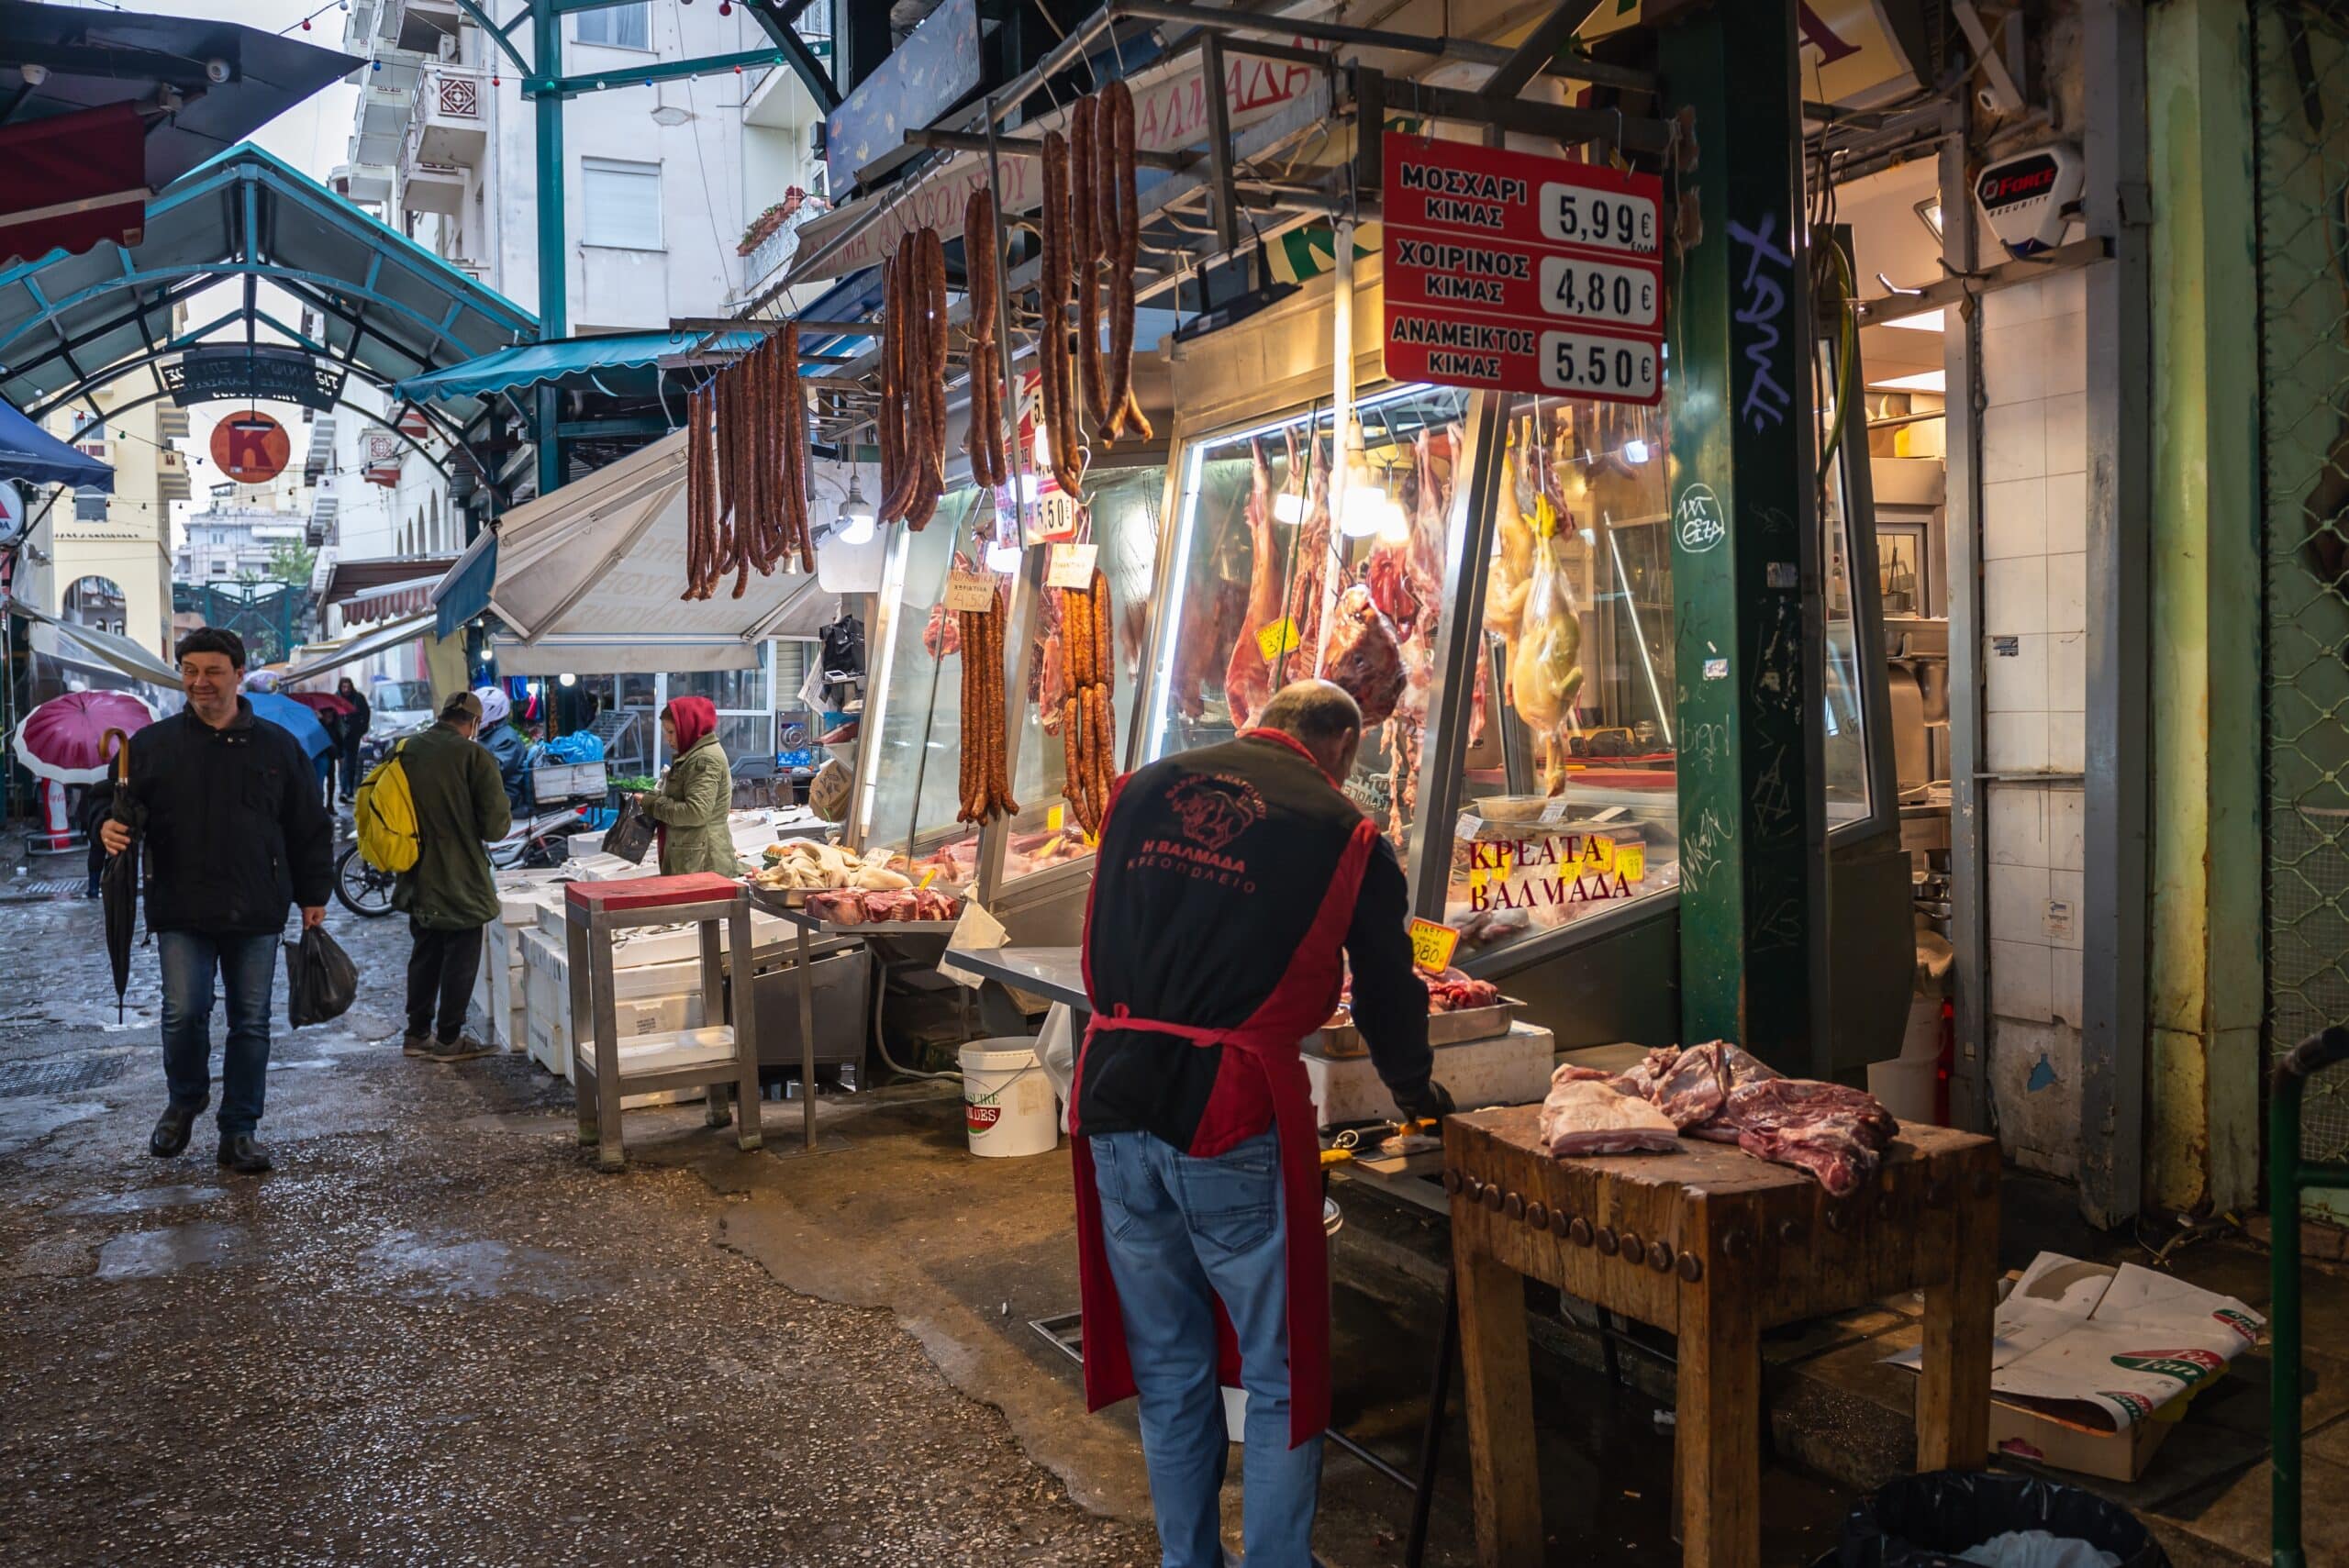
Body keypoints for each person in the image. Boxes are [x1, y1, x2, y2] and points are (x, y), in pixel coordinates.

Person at [1071, 680, 1449, 1568]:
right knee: (1281, 1372)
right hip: (1228, 1105)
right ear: (1341, 747)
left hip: (1113, 1092)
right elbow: (1388, 985)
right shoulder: (1344, 826)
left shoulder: (1141, 786)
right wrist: (1416, 1091)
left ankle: (1187, 1558)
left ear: (1264, 722)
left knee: (1169, 1361)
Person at [100, 628, 334, 1176]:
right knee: (184, 1013)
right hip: (180, 904)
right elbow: (108, 805)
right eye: (189, 671)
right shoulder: (152, 746)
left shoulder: (278, 747)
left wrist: (313, 894)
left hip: (256, 905)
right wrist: (105, 826)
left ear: (237, 673)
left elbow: (309, 826)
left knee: (250, 1021)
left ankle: (240, 1129)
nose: (199, 682)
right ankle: (186, 1099)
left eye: (212, 671)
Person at [394, 691, 512, 1063]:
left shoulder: (405, 750)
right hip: (460, 874)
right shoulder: (474, 756)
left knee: (425, 950)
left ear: (442, 714)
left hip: (416, 872)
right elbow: (496, 827)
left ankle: (416, 1034)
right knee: (461, 953)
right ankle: (448, 1038)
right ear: (474, 723)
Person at [640, 696, 733, 875]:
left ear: (689, 725)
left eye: (671, 732)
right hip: (691, 857)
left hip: (702, 864)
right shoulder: (692, 754)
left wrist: (652, 804)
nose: (667, 739)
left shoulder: (704, 758)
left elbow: (696, 812)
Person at [474, 684, 529, 811]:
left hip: (505, 796)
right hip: (487, 793)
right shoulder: (484, 734)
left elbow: (493, 771)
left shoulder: (508, 739)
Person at [336, 676, 371, 803]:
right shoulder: (336, 698)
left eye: (348, 687)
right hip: (341, 737)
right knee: (343, 763)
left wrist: (361, 729)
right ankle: (344, 791)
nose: (346, 689)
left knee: (351, 764)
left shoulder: (358, 698)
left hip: (354, 736)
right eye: (344, 687)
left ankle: (349, 791)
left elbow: (366, 713)